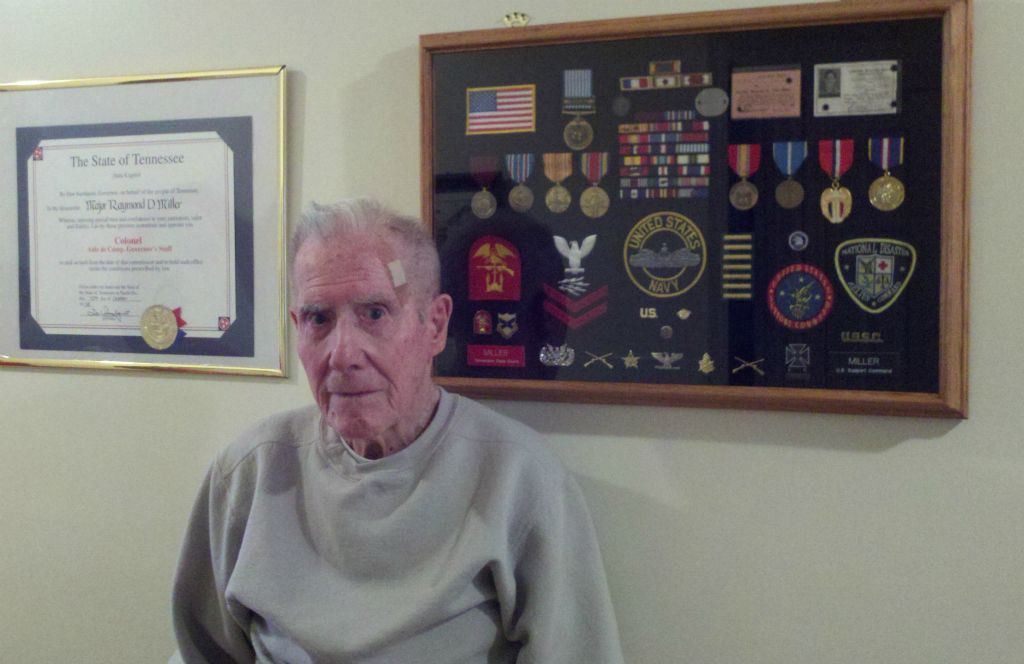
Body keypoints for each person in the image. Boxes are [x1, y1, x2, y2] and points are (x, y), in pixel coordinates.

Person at [171, 199, 624, 663]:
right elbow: (201, 652)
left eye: (374, 313)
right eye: (318, 319)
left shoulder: (520, 478)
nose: (342, 354)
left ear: (435, 324)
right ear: (296, 329)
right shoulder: (249, 471)